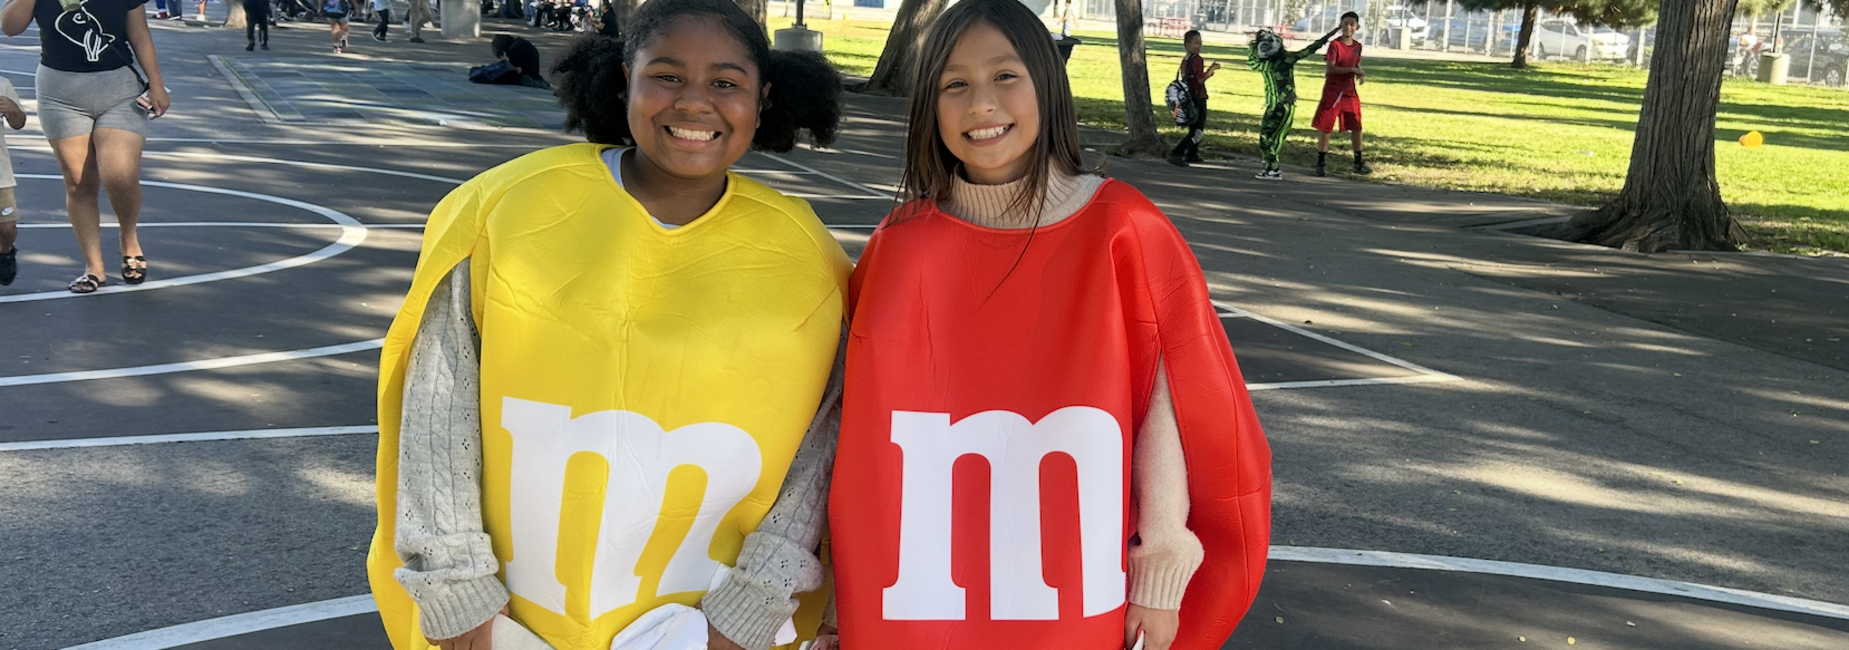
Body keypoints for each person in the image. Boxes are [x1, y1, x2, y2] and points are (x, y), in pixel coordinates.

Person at [365, 1, 850, 649]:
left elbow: (822, 440)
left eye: (725, 82)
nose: (694, 101)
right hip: (510, 618)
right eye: (667, 76)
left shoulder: (806, 253)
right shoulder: (504, 209)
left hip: (708, 621)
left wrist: (752, 608)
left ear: (762, 100)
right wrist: (456, 590)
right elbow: (438, 403)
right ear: (626, 80)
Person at [830, 3, 1272, 650]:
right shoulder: (899, 246)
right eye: (954, 84)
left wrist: (1159, 572)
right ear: (928, 105)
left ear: (1047, 85)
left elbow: (1170, 408)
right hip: (913, 588)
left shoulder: (1123, 228)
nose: (981, 103)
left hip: (1073, 584)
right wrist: (839, 593)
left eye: (1005, 76)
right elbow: (856, 431)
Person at [2, 0, 171, 293]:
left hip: (119, 88)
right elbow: (9, 27)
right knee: (78, 181)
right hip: (59, 93)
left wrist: (156, 83)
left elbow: (140, 34)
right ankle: (94, 267)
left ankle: (128, 237)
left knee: (119, 175)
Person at [1246, 26, 1338, 180]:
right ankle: (1270, 168)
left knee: (1266, 138)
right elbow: (1309, 50)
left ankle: (1273, 169)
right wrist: (1327, 36)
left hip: (1278, 105)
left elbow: (1309, 49)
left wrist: (1328, 36)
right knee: (1274, 138)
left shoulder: (1266, 63)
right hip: (1285, 105)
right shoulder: (1283, 60)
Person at [1312, 11, 1369, 177]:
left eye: (1352, 24)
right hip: (1333, 90)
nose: (1348, 27)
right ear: (1341, 26)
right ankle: (1321, 162)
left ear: (1357, 27)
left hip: (1349, 91)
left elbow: (1356, 66)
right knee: (1326, 125)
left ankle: (1358, 162)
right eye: (1345, 24)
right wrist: (1351, 70)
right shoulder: (1335, 45)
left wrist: (1360, 73)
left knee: (1356, 125)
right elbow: (1331, 68)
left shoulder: (1357, 47)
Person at [1166, 29, 1217, 167]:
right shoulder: (1197, 60)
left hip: (1188, 97)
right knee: (1197, 129)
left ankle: (1192, 153)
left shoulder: (1186, 60)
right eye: (1196, 43)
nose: (1199, 46)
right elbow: (1200, 80)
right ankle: (1177, 153)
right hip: (1198, 96)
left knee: (1193, 126)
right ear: (1187, 45)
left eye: (1200, 43)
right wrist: (1211, 70)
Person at [0, 76, 23, 286]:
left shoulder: (2, 84)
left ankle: (5, 250)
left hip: (1, 174)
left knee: (6, 228)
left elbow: (18, 123)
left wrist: (12, 109)